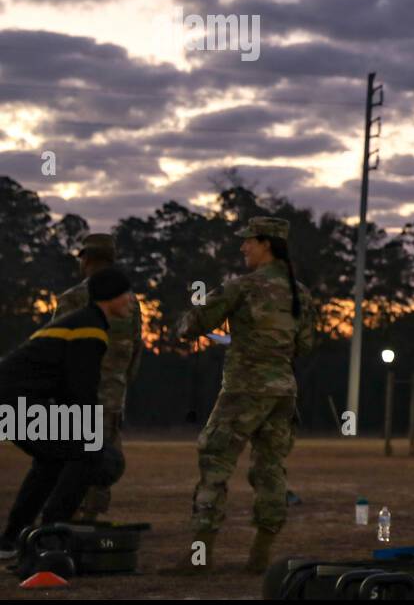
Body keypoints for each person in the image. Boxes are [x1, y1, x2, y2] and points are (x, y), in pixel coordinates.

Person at [174, 216, 315, 574]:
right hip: (283, 391)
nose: (243, 246)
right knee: (270, 471)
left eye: (248, 240)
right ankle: (260, 556)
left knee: (214, 463)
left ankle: (199, 557)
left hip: (243, 390)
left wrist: (185, 322)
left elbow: (194, 325)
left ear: (266, 243)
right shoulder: (301, 294)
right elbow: (306, 344)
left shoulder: (242, 287)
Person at [0, 267, 132, 557]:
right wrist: (92, 436)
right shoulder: (89, 329)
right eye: (126, 293)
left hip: (12, 403)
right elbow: (80, 388)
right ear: (110, 296)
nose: (131, 300)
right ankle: (51, 537)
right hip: (15, 403)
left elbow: (63, 386)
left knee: (51, 460)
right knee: (87, 453)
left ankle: (12, 540)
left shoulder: (82, 322)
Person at [52, 233, 143, 522]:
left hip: (77, 394)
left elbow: (54, 348)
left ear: (86, 260)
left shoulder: (73, 298)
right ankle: (92, 516)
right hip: (113, 395)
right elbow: (136, 349)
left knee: (73, 456)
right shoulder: (130, 302)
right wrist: (121, 384)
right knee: (104, 455)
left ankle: (68, 519)